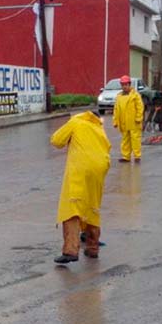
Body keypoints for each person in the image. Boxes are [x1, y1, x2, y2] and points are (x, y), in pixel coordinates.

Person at [50, 111, 111, 264]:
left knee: (72, 206)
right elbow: (107, 146)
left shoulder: (76, 122)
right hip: (100, 168)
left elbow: (56, 141)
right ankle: (92, 248)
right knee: (92, 206)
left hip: (81, 168)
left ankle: (70, 251)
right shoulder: (98, 127)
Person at [112, 75, 144, 163]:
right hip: (123, 122)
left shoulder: (135, 95)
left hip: (134, 122)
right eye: (122, 85)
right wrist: (115, 121)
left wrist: (138, 118)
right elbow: (116, 110)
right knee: (125, 140)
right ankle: (126, 157)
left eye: (126, 84)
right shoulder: (119, 97)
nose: (124, 86)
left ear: (129, 84)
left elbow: (140, 107)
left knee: (135, 139)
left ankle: (137, 156)